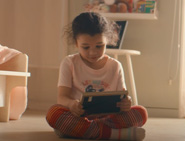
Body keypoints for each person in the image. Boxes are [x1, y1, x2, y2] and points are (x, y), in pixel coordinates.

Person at [46, 12, 148, 140]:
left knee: (141, 112)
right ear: (76, 43)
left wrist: (126, 103)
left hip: (108, 118)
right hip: (79, 116)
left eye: (99, 46)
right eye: (85, 47)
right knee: (54, 113)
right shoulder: (69, 63)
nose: (93, 52)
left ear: (108, 41)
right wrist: (72, 105)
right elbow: (62, 98)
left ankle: (86, 130)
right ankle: (111, 134)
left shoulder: (115, 66)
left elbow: (122, 97)